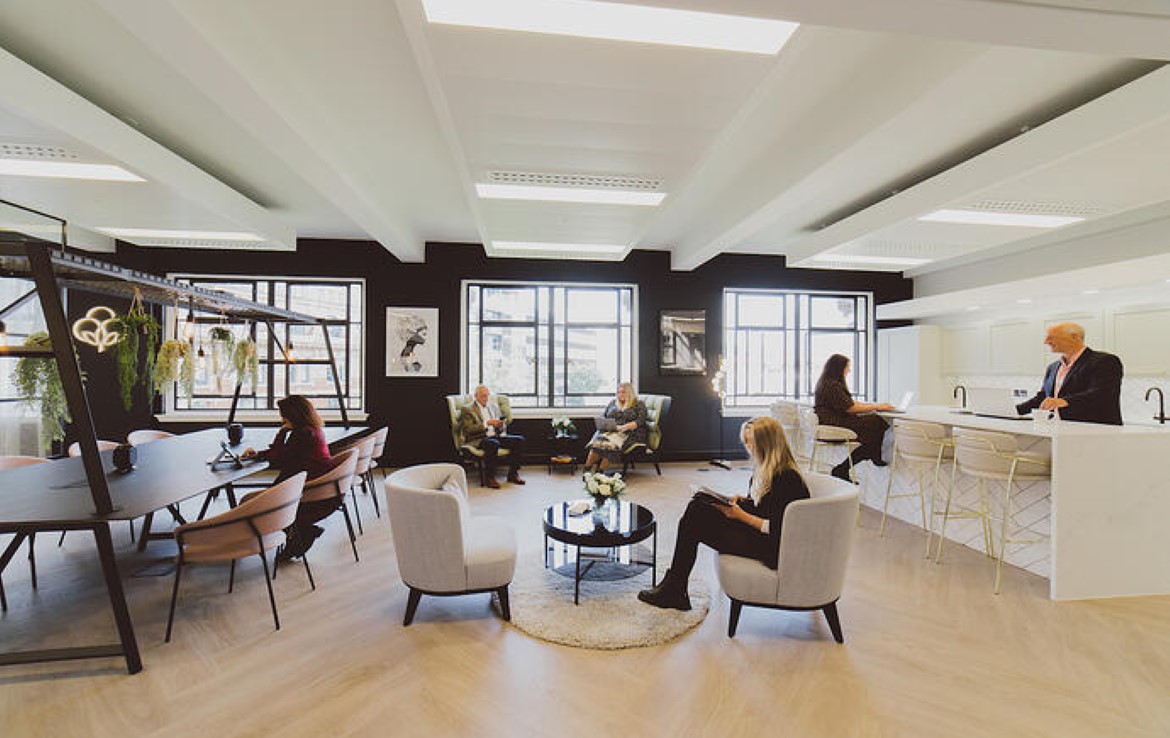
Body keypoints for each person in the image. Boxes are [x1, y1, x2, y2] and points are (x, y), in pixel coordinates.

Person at [638, 416, 810, 611]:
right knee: (698, 505)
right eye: (745, 441)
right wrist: (741, 501)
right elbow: (764, 506)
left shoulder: (787, 477)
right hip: (760, 535)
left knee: (695, 519)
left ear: (766, 443)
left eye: (750, 442)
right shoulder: (764, 468)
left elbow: (778, 527)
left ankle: (675, 587)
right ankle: (675, 586)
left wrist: (740, 515)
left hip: (772, 546)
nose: (747, 447)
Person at [241, 395, 333, 559]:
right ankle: (300, 533)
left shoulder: (302, 434)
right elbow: (285, 454)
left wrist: (282, 432)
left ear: (292, 415)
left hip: (307, 489)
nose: (282, 419)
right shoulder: (312, 430)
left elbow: (279, 459)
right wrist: (258, 454)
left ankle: (301, 533)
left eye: (283, 415)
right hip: (317, 485)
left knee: (253, 503)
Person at [1016, 322, 1123, 425]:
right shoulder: (1053, 367)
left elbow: (1101, 393)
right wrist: (1014, 411)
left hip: (1096, 430)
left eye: (1051, 337)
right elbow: (1042, 398)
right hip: (1060, 428)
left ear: (1074, 337)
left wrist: (1063, 401)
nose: (1046, 341)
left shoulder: (1105, 361)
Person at [813, 354, 893, 483]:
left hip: (831, 422)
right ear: (839, 368)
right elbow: (850, 408)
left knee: (872, 433)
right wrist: (877, 406)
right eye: (847, 367)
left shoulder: (826, 383)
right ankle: (871, 455)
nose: (849, 370)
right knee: (876, 422)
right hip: (835, 423)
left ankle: (866, 456)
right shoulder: (833, 386)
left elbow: (849, 403)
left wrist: (872, 406)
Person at [457, 385, 526, 488]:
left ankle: (513, 473)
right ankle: (489, 477)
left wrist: (500, 425)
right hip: (479, 438)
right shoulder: (467, 409)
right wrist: (487, 423)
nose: (486, 398)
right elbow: (468, 430)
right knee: (492, 443)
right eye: (483, 396)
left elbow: (499, 427)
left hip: (495, 435)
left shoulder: (493, 406)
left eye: (487, 395)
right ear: (476, 396)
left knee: (519, 440)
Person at [584, 382, 648, 473]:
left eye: (623, 392)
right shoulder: (613, 403)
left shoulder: (638, 404)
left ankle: (600, 472)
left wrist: (623, 427)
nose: (620, 394)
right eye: (619, 392)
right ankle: (587, 469)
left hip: (631, 432)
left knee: (611, 446)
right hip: (612, 430)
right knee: (598, 443)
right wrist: (605, 424)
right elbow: (604, 416)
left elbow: (640, 421)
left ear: (630, 393)